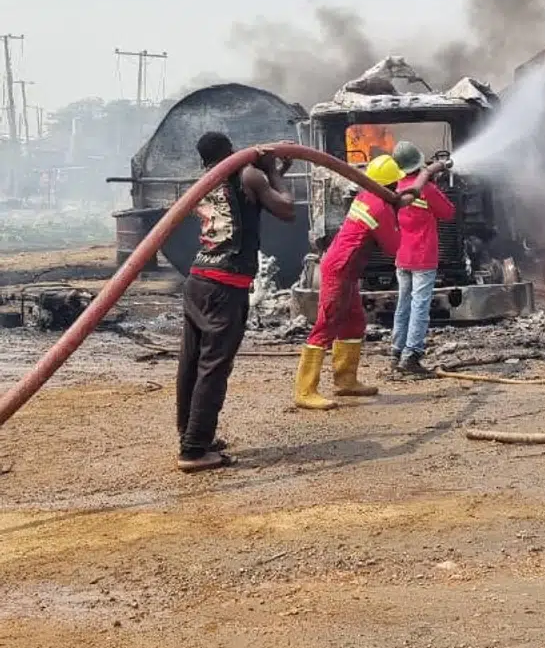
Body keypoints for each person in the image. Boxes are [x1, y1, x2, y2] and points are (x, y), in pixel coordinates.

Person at [176, 132, 296, 473]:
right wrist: (271, 172)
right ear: (230, 150)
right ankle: (194, 450)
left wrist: (274, 172)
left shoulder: (205, 181)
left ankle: (191, 434)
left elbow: (244, 204)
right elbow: (286, 209)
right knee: (214, 367)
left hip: (198, 279)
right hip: (225, 285)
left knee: (192, 363)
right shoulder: (249, 174)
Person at [294, 154, 406, 410]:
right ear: (390, 184)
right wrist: (400, 210)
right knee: (326, 325)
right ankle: (305, 390)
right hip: (340, 269)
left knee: (354, 323)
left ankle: (346, 380)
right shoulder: (380, 207)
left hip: (346, 269)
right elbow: (393, 247)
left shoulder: (367, 197)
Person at [389, 141, 455, 376]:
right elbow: (448, 212)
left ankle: (396, 352)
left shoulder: (397, 187)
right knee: (420, 306)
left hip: (402, 256)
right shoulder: (426, 189)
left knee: (403, 305)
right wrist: (434, 182)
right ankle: (412, 355)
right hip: (423, 257)